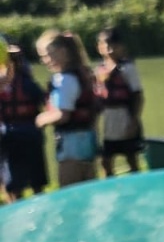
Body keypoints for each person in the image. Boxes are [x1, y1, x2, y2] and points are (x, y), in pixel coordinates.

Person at [34, 29, 98, 187]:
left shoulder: (64, 80)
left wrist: (41, 119)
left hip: (71, 143)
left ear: (62, 52)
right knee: (87, 186)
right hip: (87, 138)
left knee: (69, 187)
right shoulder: (81, 74)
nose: (44, 61)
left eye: (47, 55)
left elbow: (63, 115)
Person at [0, 36, 49, 202]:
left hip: (21, 132)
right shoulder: (27, 82)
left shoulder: (27, 83)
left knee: (22, 183)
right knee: (20, 183)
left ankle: (25, 205)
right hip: (18, 133)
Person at [94, 24, 145, 176]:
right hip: (109, 120)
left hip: (125, 118)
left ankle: (137, 184)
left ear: (121, 47)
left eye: (113, 45)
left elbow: (138, 95)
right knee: (106, 160)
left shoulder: (127, 68)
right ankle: (111, 185)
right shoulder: (99, 70)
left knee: (131, 157)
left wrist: (134, 120)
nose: (109, 49)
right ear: (99, 47)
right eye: (105, 45)